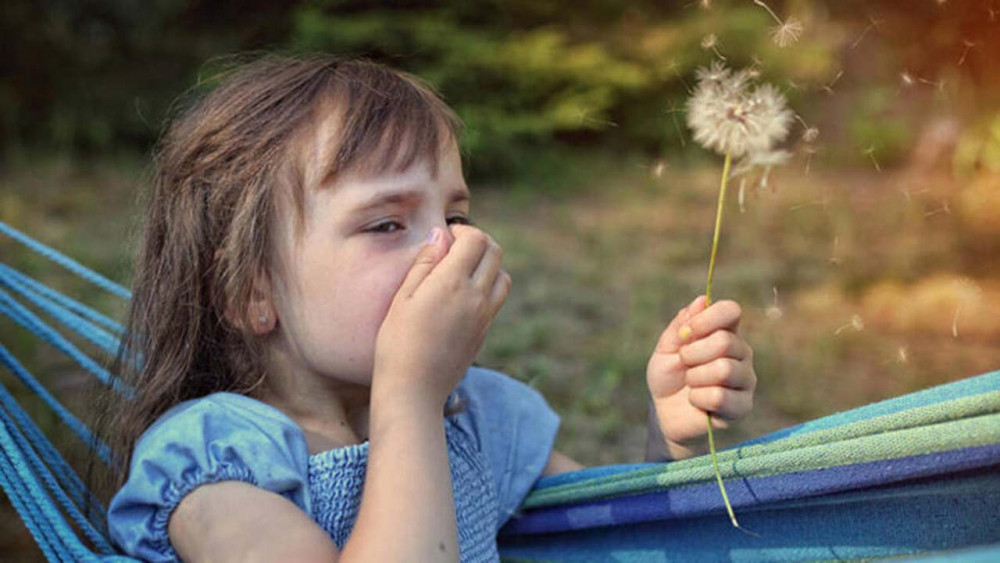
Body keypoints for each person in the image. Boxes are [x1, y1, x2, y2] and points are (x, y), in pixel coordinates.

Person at [98, 54, 758, 562]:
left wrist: (669, 441)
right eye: (387, 223)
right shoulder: (215, 460)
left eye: (456, 214)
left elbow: (611, 542)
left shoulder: (478, 418)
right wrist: (408, 396)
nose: (452, 245)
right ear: (250, 290)